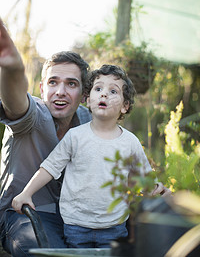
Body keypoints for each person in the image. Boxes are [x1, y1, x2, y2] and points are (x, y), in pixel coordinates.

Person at [12, 64, 171, 249]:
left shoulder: (130, 142)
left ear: (125, 106)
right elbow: (49, 167)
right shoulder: (75, 137)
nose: (104, 94)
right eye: (98, 89)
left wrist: (157, 190)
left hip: (115, 227)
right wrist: (26, 193)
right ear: (88, 100)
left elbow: (143, 179)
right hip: (75, 225)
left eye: (113, 91)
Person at [0, 18, 92, 256]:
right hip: (21, 215)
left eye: (71, 84)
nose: (60, 92)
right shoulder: (33, 115)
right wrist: (12, 68)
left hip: (74, 217)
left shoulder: (89, 122)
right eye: (53, 82)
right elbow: (16, 100)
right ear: (42, 89)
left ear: (84, 95)